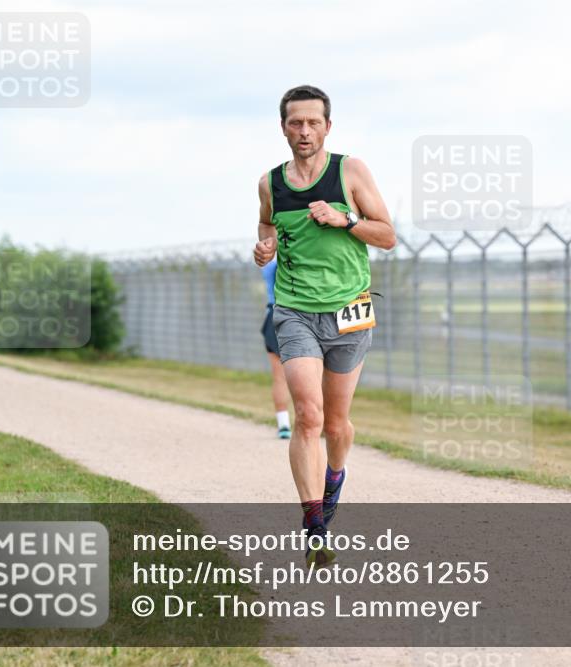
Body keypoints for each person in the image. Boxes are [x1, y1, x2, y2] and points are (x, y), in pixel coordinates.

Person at [253, 85, 396, 567]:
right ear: (284, 128)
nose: (305, 131)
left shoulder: (350, 171)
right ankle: (314, 522)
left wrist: (344, 219)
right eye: (296, 123)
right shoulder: (270, 183)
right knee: (308, 416)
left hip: (349, 312)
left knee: (336, 425)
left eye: (313, 122)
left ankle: (336, 475)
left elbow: (388, 236)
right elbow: (267, 225)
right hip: (293, 310)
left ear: (327, 127)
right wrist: (264, 248)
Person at [259, 256, 292, 439]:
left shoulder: (270, 267)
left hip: (273, 315)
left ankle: (283, 424)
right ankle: (321, 421)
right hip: (293, 314)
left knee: (279, 377)